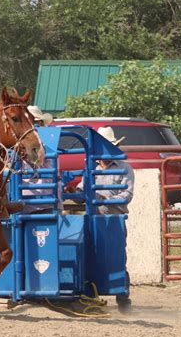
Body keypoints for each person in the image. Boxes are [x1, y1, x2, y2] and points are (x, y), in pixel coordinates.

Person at [71, 126, 135, 310]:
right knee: (92, 255)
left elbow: (127, 196)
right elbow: (82, 190)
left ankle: (122, 296)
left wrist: (102, 197)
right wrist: (75, 193)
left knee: (116, 257)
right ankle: (94, 295)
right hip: (93, 220)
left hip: (114, 219)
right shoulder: (91, 167)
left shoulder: (125, 168)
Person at [21, 106, 62, 214]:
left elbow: (37, 158)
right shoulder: (24, 141)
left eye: (33, 122)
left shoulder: (46, 140)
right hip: (30, 200)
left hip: (44, 200)